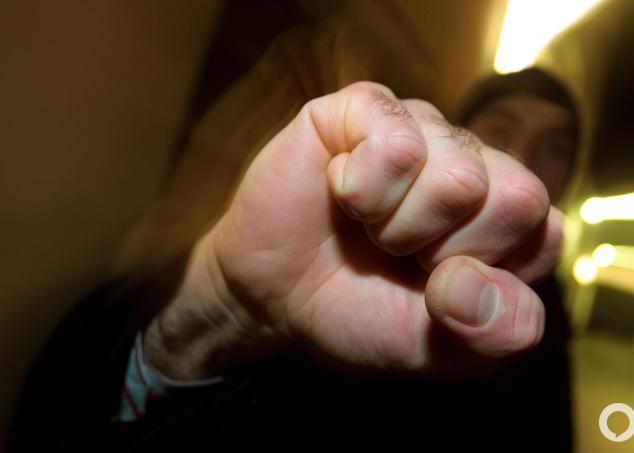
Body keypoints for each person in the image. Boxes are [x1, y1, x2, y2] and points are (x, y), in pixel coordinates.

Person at [9, 68, 579, 451]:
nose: (522, 154)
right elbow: (59, 420)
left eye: (554, 146)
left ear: (571, 178)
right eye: (502, 128)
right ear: (460, 135)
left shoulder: (551, 332)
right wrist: (227, 309)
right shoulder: (350, 247)